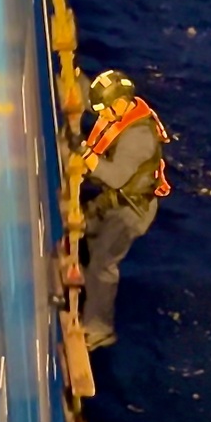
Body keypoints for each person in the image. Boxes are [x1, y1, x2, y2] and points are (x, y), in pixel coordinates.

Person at [78, 69, 171, 350]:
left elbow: (117, 176)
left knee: (103, 265)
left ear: (119, 105)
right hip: (114, 201)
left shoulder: (138, 137)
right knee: (87, 230)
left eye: (104, 111)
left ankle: (99, 329)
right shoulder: (118, 112)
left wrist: (86, 158)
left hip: (131, 212)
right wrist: (73, 77)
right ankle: (83, 282)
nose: (101, 117)